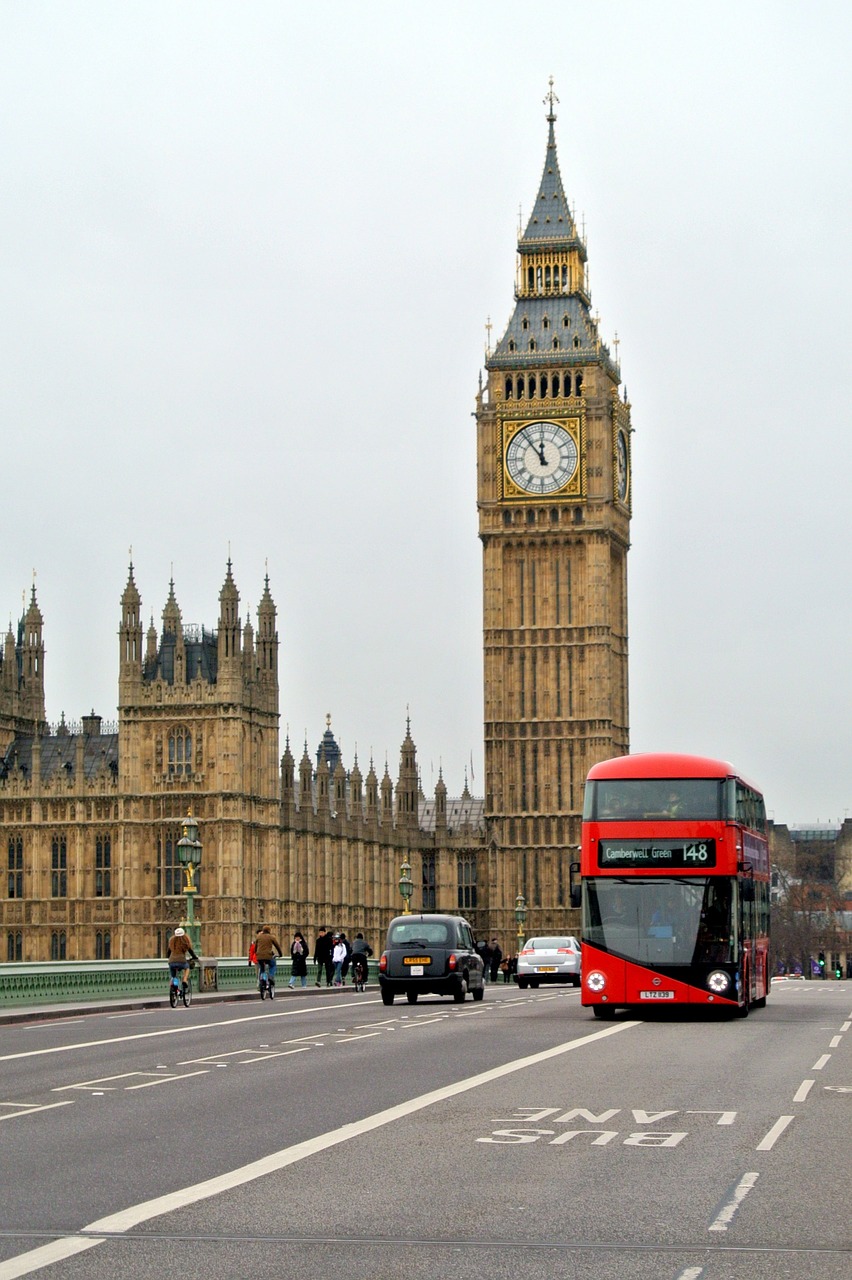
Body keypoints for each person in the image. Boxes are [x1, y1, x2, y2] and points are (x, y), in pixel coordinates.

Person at [166, 926, 198, 994]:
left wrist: (169, 958)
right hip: (181, 961)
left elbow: (168, 953)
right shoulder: (185, 942)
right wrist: (195, 957)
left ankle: (175, 988)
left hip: (171, 962)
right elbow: (190, 951)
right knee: (187, 967)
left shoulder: (171, 942)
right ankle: (185, 980)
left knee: (174, 976)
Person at [255, 925, 283, 994]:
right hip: (268, 956)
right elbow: (277, 946)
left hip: (259, 957)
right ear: (269, 931)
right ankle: (270, 976)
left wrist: (257, 953)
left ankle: (262, 980)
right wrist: (280, 954)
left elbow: (256, 947)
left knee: (262, 968)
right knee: (273, 965)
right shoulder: (271, 937)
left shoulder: (258, 937)